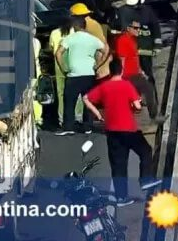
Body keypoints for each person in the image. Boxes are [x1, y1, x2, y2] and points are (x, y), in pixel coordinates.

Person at [84, 58, 162, 206]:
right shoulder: (126, 86)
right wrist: (135, 105)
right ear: (122, 70)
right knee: (145, 151)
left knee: (118, 165)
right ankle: (145, 179)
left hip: (112, 132)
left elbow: (86, 98)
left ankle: (121, 197)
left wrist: (99, 114)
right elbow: (137, 106)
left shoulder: (104, 86)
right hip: (128, 129)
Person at [55, 16, 107, 135]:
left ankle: (68, 127)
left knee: (69, 101)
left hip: (74, 75)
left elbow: (58, 53)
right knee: (88, 101)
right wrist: (98, 65)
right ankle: (87, 127)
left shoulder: (70, 38)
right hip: (89, 74)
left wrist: (63, 68)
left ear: (75, 26)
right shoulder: (93, 39)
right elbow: (105, 51)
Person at [112, 21, 163, 122]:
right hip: (128, 75)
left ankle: (148, 115)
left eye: (139, 28)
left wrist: (141, 71)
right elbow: (122, 59)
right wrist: (120, 76)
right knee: (148, 89)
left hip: (136, 73)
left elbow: (135, 57)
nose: (138, 30)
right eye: (135, 28)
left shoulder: (132, 40)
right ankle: (153, 116)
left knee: (142, 93)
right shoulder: (123, 40)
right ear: (128, 28)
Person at [119, 0, 162, 88]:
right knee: (132, 74)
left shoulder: (147, 10)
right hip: (132, 48)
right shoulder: (124, 11)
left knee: (147, 73)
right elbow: (124, 27)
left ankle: (151, 96)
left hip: (144, 48)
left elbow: (155, 26)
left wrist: (157, 44)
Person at [70, 2, 110, 79]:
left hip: (99, 62)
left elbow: (104, 48)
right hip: (100, 60)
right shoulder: (92, 23)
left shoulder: (87, 25)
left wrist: (97, 65)